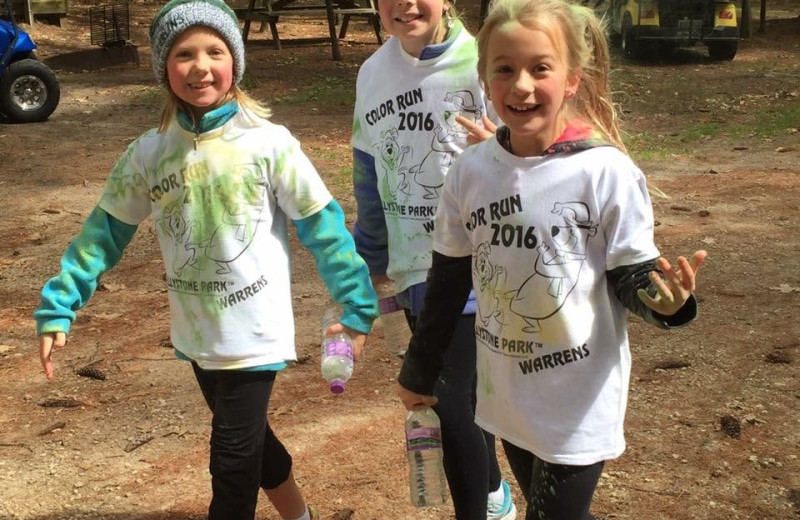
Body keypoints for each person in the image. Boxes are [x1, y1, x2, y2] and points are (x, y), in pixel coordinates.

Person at [33, 1, 378, 519]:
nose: (200, 66)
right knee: (255, 447)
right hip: (197, 337)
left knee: (232, 467)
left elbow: (323, 227)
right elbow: (102, 234)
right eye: (184, 53)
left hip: (255, 334)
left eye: (215, 51)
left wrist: (356, 304)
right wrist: (61, 303)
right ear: (163, 68)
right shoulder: (150, 154)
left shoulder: (269, 144)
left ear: (234, 62)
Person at [396, 0, 707, 519]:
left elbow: (632, 275)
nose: (521, 85)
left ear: (570, 79)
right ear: (485, 79)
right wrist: (420, 368)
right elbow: (448, 280)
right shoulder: (471, 171)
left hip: (576, 398)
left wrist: (667, 303)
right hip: (506, 394)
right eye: (505, 69)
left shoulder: (605, 172)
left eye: (540, 68)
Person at [349, 0, 516, 518]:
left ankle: (481, 506)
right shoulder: (372, 73)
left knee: (447, 401)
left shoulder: (485, 61)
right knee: (459, 399)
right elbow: (369, 178)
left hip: (483, 265)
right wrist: (369, 264)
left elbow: (541, 150)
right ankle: (494, 495)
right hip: (414, 269)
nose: (405, 4)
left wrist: (504, 151)